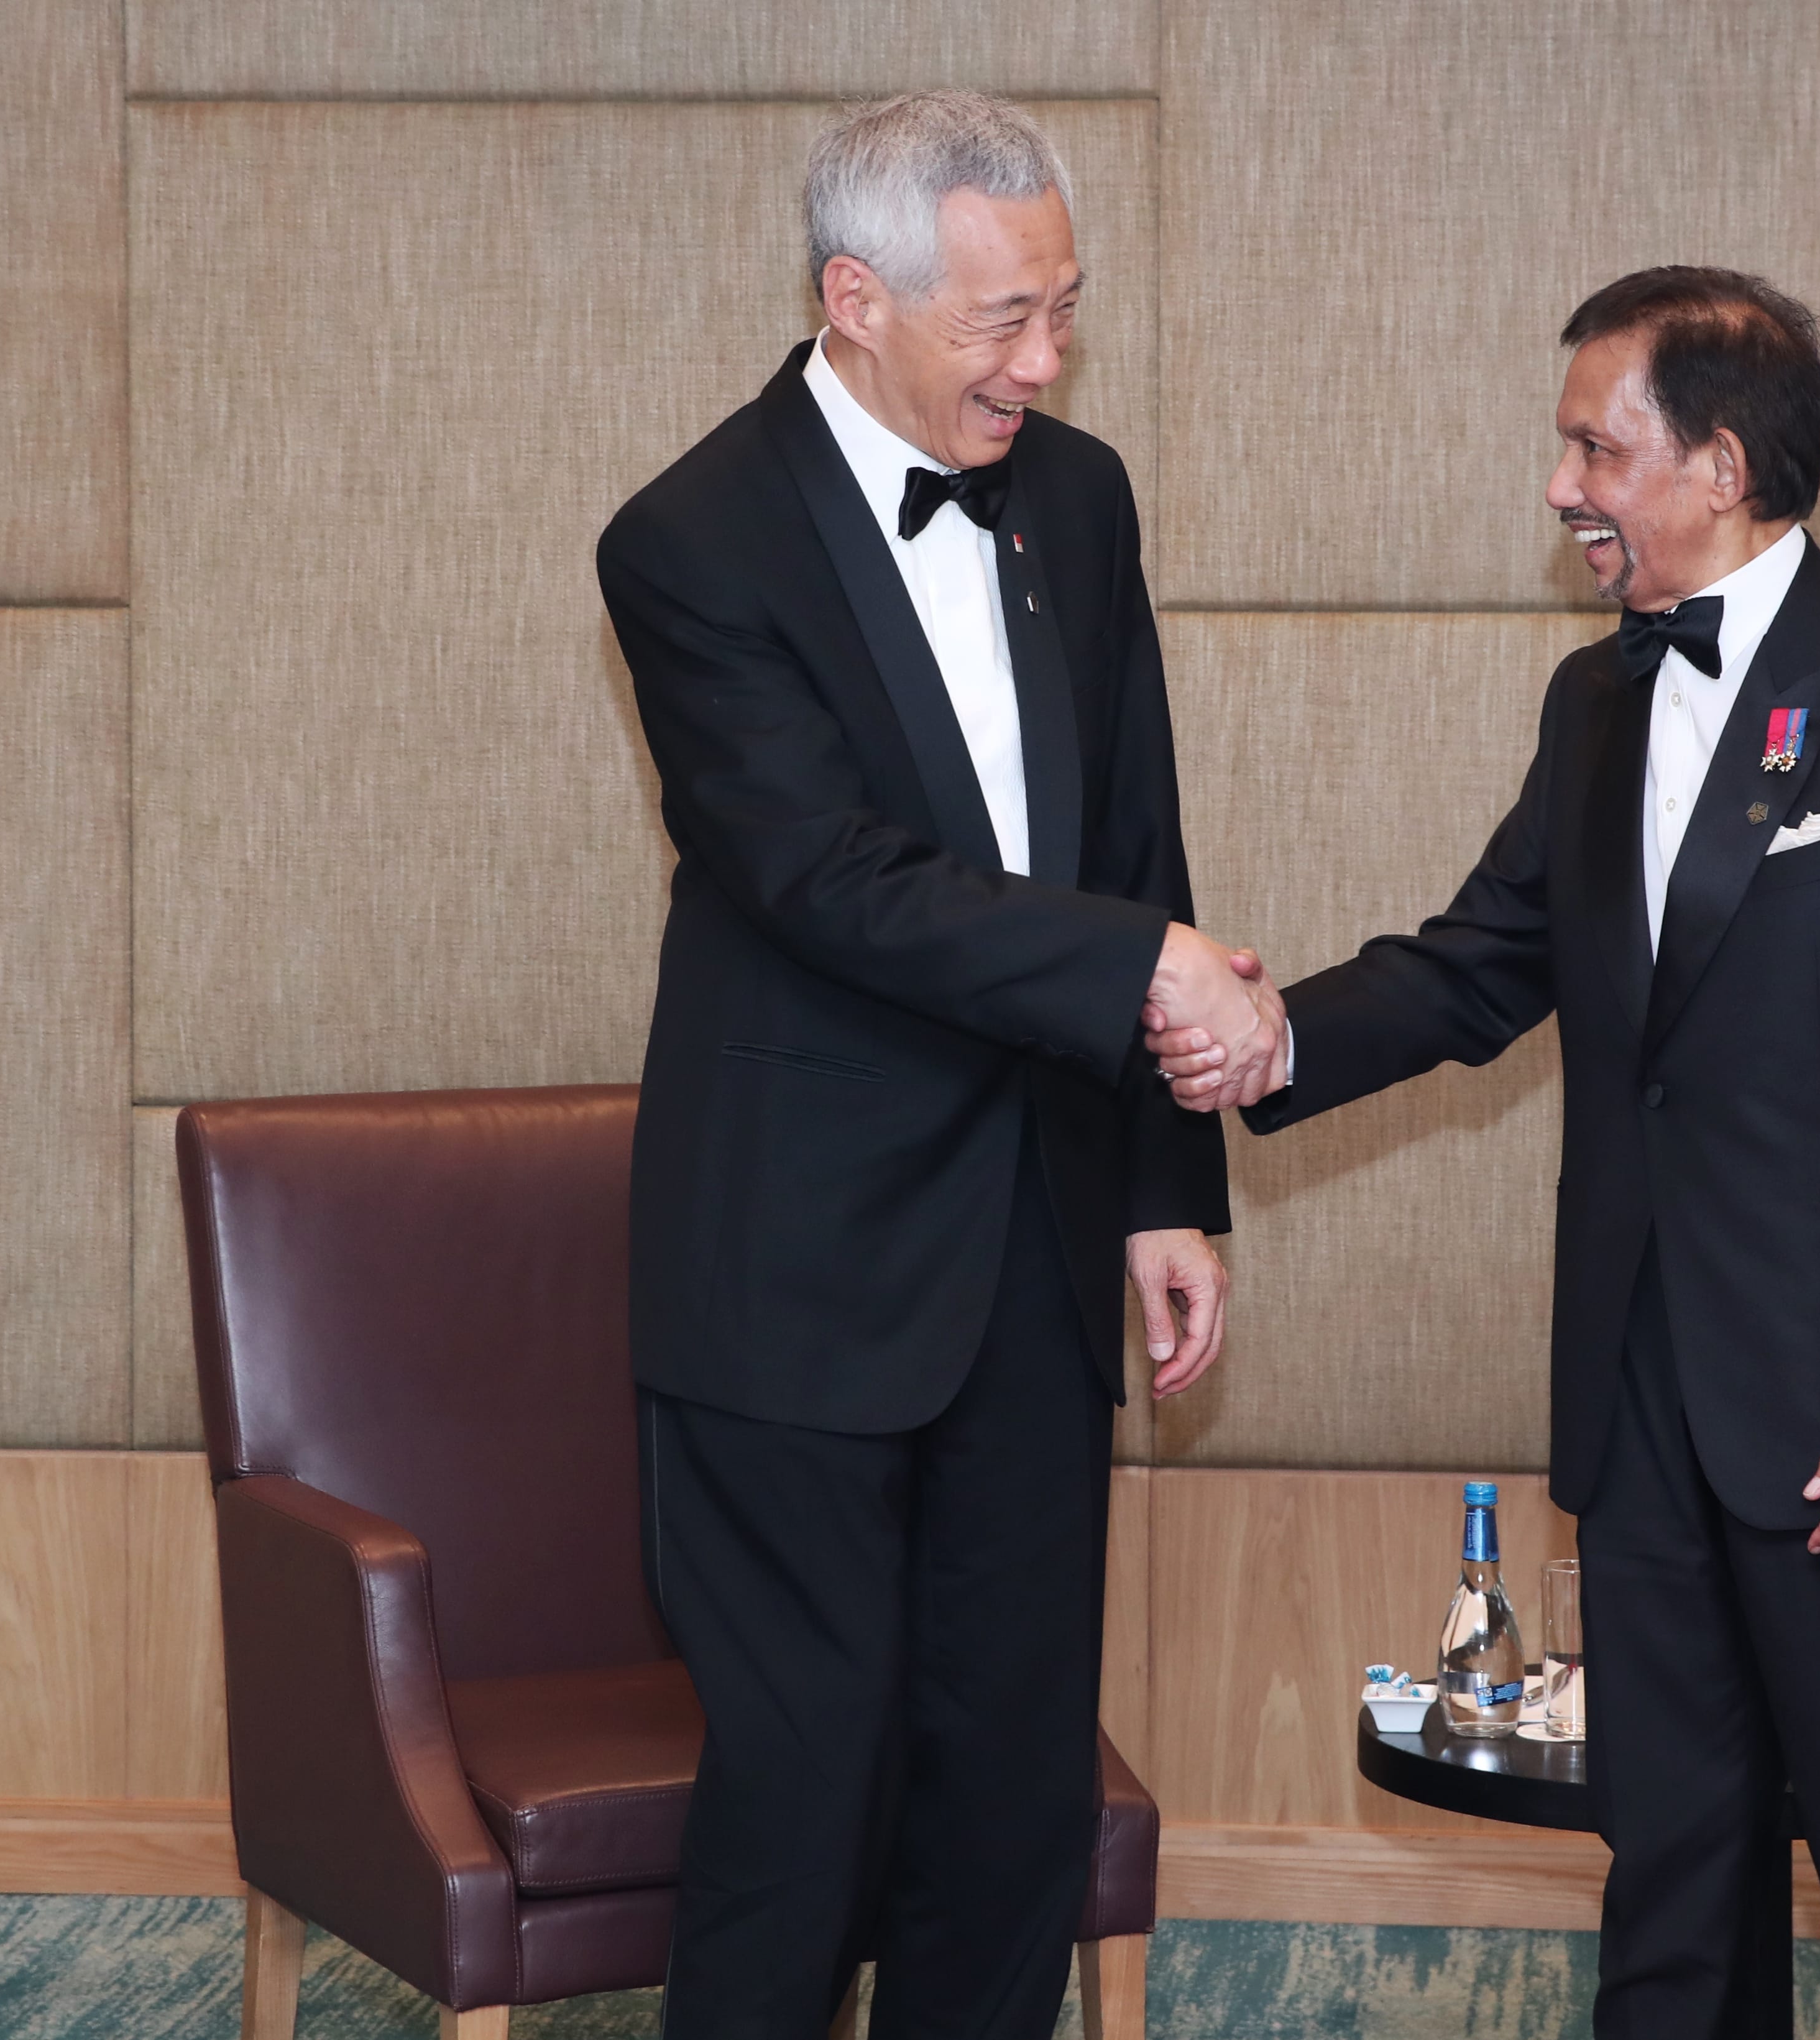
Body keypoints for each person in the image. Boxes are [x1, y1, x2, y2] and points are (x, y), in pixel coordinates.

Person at [1152, 267, 1820, 2039]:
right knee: (1668, 1881)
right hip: (1643, 1402)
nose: (1561, 484)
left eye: (1596, 444)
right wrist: (1271, 1041)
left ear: (1718, 463)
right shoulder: (1592, 707)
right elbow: (1479, 962)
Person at [597, 91, 1284, 2039]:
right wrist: (1138, 959)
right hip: (793, 1277)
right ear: (854, 298)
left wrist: (1166, 1184)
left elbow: (1135, 839)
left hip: (1040, 1249)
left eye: (1063, 308)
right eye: (1002, 321)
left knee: (1008, 1800)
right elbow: (827, 878)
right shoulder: (689, 541)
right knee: (806, 1799)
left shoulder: (1077, 495)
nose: (1043, 361)